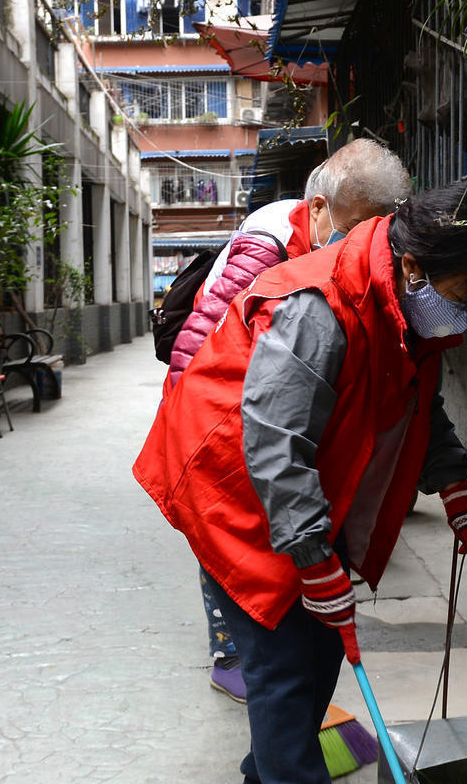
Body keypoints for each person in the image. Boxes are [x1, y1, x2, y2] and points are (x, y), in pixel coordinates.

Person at [133, 180, 467, 784]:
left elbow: (416, 397)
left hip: (291, 478)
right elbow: (274, 443)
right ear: (414, 268)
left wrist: (454, 485)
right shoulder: (319, 305)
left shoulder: (407, 310)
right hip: (233, 483)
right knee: (288, 658)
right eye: (462, 296)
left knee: (312, 655)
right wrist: (313, 558)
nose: (463, 315)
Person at [166, 139, 412, 702]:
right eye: (355, 232)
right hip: (213, 416)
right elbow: (198, 344)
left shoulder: (339, 262)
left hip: (267, 415)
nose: (363, 248)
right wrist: (207, 454)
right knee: (228, 551)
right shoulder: (269, 244)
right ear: (320, 210)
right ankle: (230, 652)